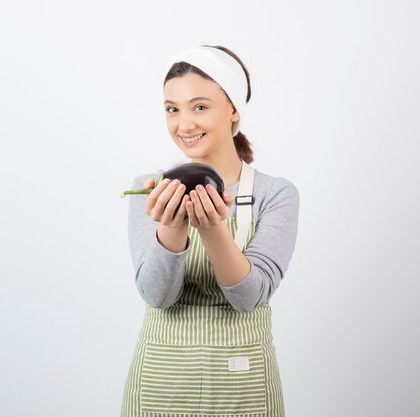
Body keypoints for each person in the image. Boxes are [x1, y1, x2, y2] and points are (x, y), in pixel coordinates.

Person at [120, 44, 300, 417]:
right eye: (173, 109)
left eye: (200, 107)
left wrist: (214, 228)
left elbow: (248, 298)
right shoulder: (150, 191)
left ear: (233, 110)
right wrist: (171, 228)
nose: (184, 125)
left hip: (243, 388)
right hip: (161, 386)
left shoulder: (275, 194)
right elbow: (157, 296)